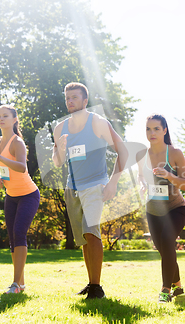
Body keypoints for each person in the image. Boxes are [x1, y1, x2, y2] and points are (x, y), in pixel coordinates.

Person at [52, 82, 127, 299]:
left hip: (96, 184)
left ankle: (97, 287)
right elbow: (57, 162)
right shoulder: (60, 128)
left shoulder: (97, 122)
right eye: (67, 98)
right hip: (72, 187)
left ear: (85, 101)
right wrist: (60, 151)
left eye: (75, 97)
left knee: (90, 231)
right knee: (83, 237)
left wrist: (113, 182)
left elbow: (122, 151)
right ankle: (91, 282)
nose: (70, 101)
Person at [136, 114, 185, 303]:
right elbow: (141, 176)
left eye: (156, 128)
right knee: (165, 250)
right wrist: (142, 185)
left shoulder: (174, 153)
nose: (152, 133)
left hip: (176, 209)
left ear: (164, 130)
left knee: (167, 241)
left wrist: (168, 175)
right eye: (148, 129)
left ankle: (165, 290)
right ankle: (178, 287)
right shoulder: (142, 155)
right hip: (153, 211)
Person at [0, 105, 40, 294]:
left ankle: (15, 284)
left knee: (19, 233)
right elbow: (7, 169)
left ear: (14, 119)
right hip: (11, 196)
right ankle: (21, 283)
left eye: (5, 116)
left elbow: (21, 168)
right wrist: (0, 179)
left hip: (28, 195)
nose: (1, 119)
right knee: (12, 238)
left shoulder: (16, 142)